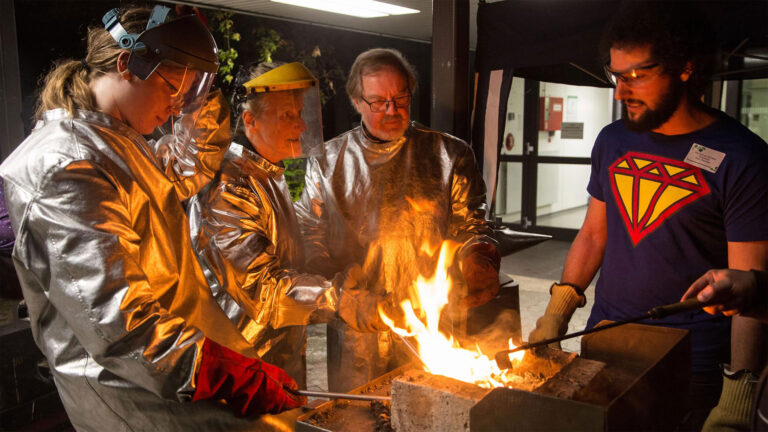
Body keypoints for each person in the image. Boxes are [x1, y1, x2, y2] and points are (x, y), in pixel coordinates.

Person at [0, 6, 304, 430]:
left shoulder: (119, 142)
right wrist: (215, 370)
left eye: (189, 90)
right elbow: (116, 323)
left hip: (172, 369)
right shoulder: (67, 164)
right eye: (173, 87)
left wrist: (201, 90)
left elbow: (192, 165)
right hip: (136, 393)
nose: (179, 103)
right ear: (127, 63)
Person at [528, 2, 768, 429]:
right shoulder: (613, 140)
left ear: (686, 66)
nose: (621, 91)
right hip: (606, 339)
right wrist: (557, 312)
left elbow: (749, 287)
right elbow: (593, 236)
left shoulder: (743, 156)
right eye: (616, 75)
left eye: (637, 75)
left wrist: (739, 393)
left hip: (692, 359)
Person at [295, 48, 501, 392]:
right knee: (358, 418)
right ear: (357, 102)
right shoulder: (328, 160)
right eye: (378, 102)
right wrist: (337, 288)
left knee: (436, 411)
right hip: (357, 331)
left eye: (400, 98)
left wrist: (478, 257)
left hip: (434, 320)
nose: (391, 110)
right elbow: (309, 232)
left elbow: (473, 224)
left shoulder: (449, 154)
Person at [188, 61, 379, 393]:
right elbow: (263, 288)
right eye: (287, 116)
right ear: (250, 120)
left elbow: (290, 257)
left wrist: (333, 271)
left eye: (299, 114)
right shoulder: (231, 187)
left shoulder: (270, 175)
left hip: (276, 363)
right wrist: (337, 297)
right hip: (240, 369)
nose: (301, 126)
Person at [683, 270, 768, 431]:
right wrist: (756, 288)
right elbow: (743, 287)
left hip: (701, 371)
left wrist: (735, 407)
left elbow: (744, 274)